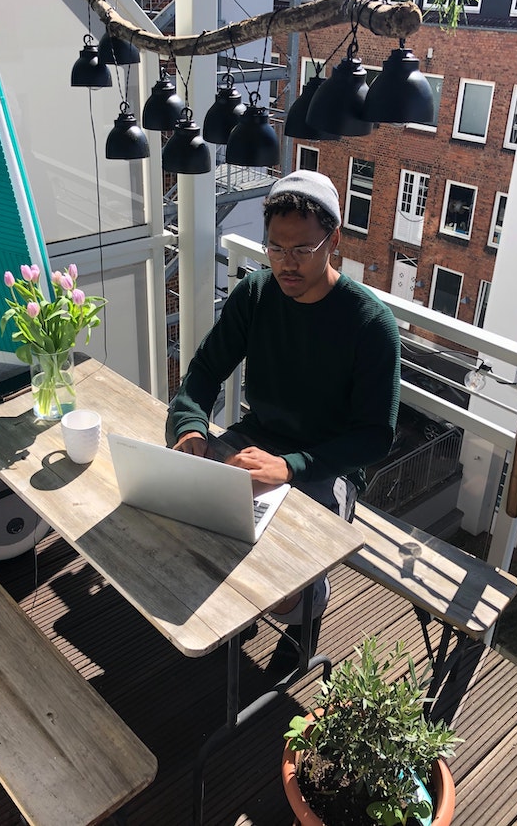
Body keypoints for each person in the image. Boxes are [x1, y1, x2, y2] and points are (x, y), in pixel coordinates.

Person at [166, 169, 401, 673]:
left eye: (301, 250)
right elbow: (204, 372)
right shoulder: (256, 294)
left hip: (325, 466)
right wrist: (189, 427)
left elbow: (374, 436)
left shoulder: (370, 324)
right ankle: (244, 611)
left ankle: (304, 615)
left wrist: (290, 467)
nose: (286, 264)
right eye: (275, 248)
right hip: (257, 440)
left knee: (282, 573)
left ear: (333, 240)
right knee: (193, 518)